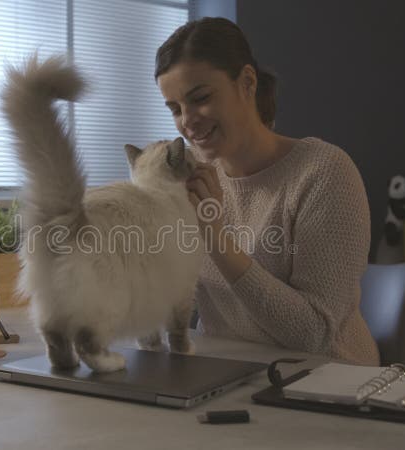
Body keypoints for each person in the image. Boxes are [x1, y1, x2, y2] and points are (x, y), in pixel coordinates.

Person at [155, 17, 380, 365]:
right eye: (174, 109)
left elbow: (314, 335)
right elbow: (179, 298)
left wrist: (215, 237)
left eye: (199, 98)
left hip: (329, 383)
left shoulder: (324, 173)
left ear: (247, 82)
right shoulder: (195, 176)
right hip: (231, 376)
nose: (187, 121)